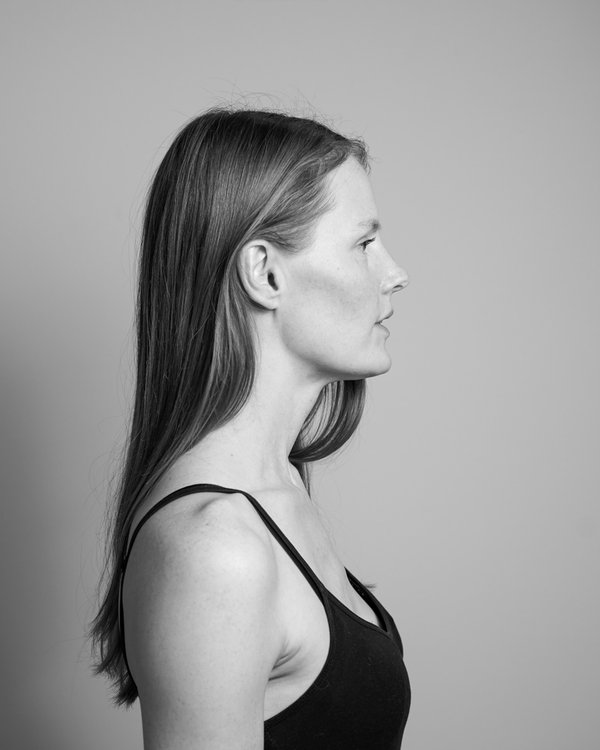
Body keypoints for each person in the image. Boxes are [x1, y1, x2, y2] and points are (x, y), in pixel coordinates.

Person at [90, 106, 411, 749]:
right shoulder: (215, 549)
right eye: (363, 244)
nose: (395, 273)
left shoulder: (279, 488)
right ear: (265, 273)